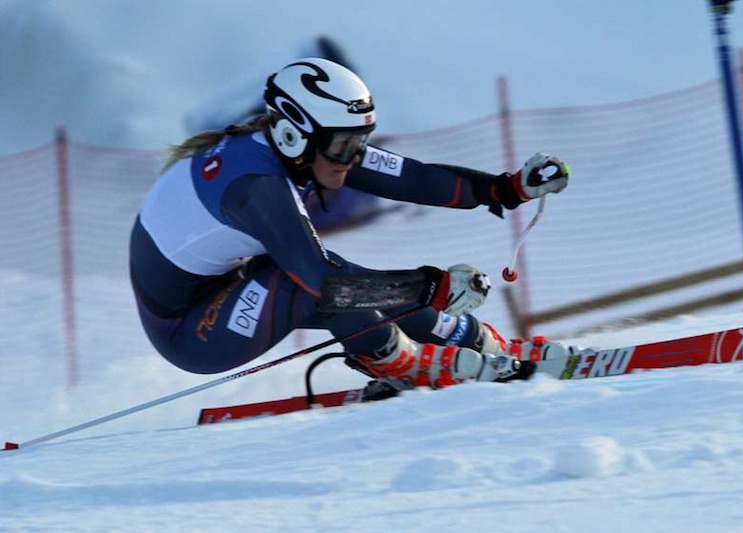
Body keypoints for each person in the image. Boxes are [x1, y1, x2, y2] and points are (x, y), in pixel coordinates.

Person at [129, 57, 569, 396]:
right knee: (316, 279)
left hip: (226, 286)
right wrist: (427, 287)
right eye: (346, 145)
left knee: (336, 276)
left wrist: (505, 190)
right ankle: (395, 360)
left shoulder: (309, 149)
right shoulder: (256, 187)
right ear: (293, 135)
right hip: (190, 332)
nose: (355, 157)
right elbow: (325, 284)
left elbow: (408, 176)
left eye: (361, 141)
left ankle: (473, 343)